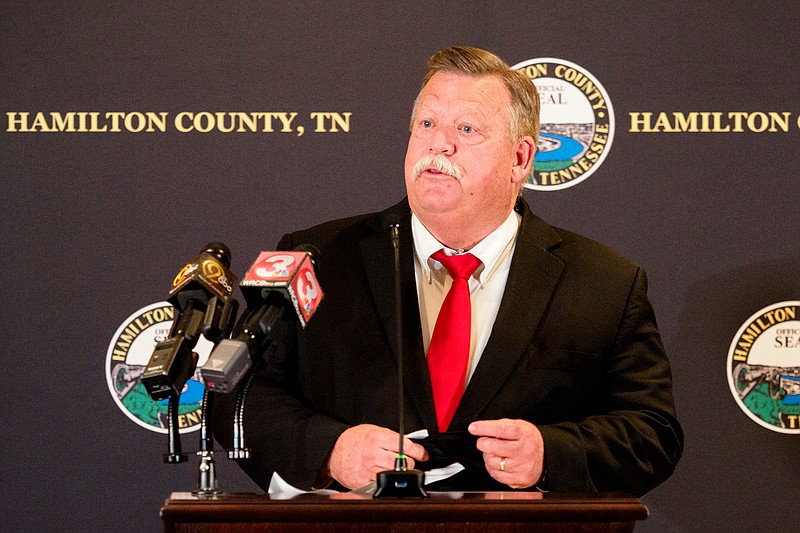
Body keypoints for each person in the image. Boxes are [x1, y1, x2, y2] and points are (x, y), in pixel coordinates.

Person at [213, 45, 683, 496]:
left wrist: (549, 453)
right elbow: (233, 395)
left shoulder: (604, 283)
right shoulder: (318, 258)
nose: (439, 144)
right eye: (427, 123)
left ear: (520, 158)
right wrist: (330, 450)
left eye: (467, 129)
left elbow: (652, 431)